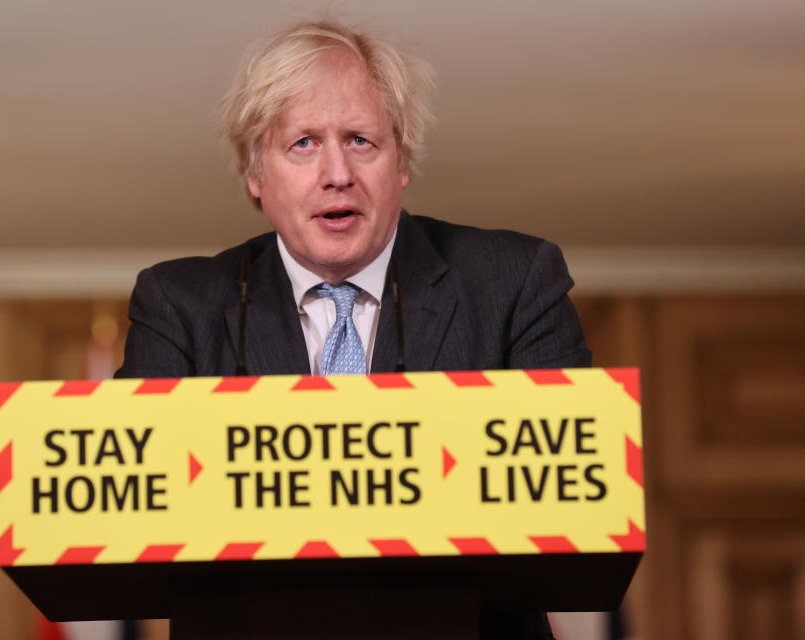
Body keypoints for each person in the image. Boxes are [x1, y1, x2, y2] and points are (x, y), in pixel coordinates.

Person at [116, 20, 588, 639]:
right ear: (256, 176)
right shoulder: (179, 304)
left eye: (361, 141)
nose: (337, 172)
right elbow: (130, 515)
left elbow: (570, 498)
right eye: (304, 143)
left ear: (402, 164)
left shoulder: (514, 280)